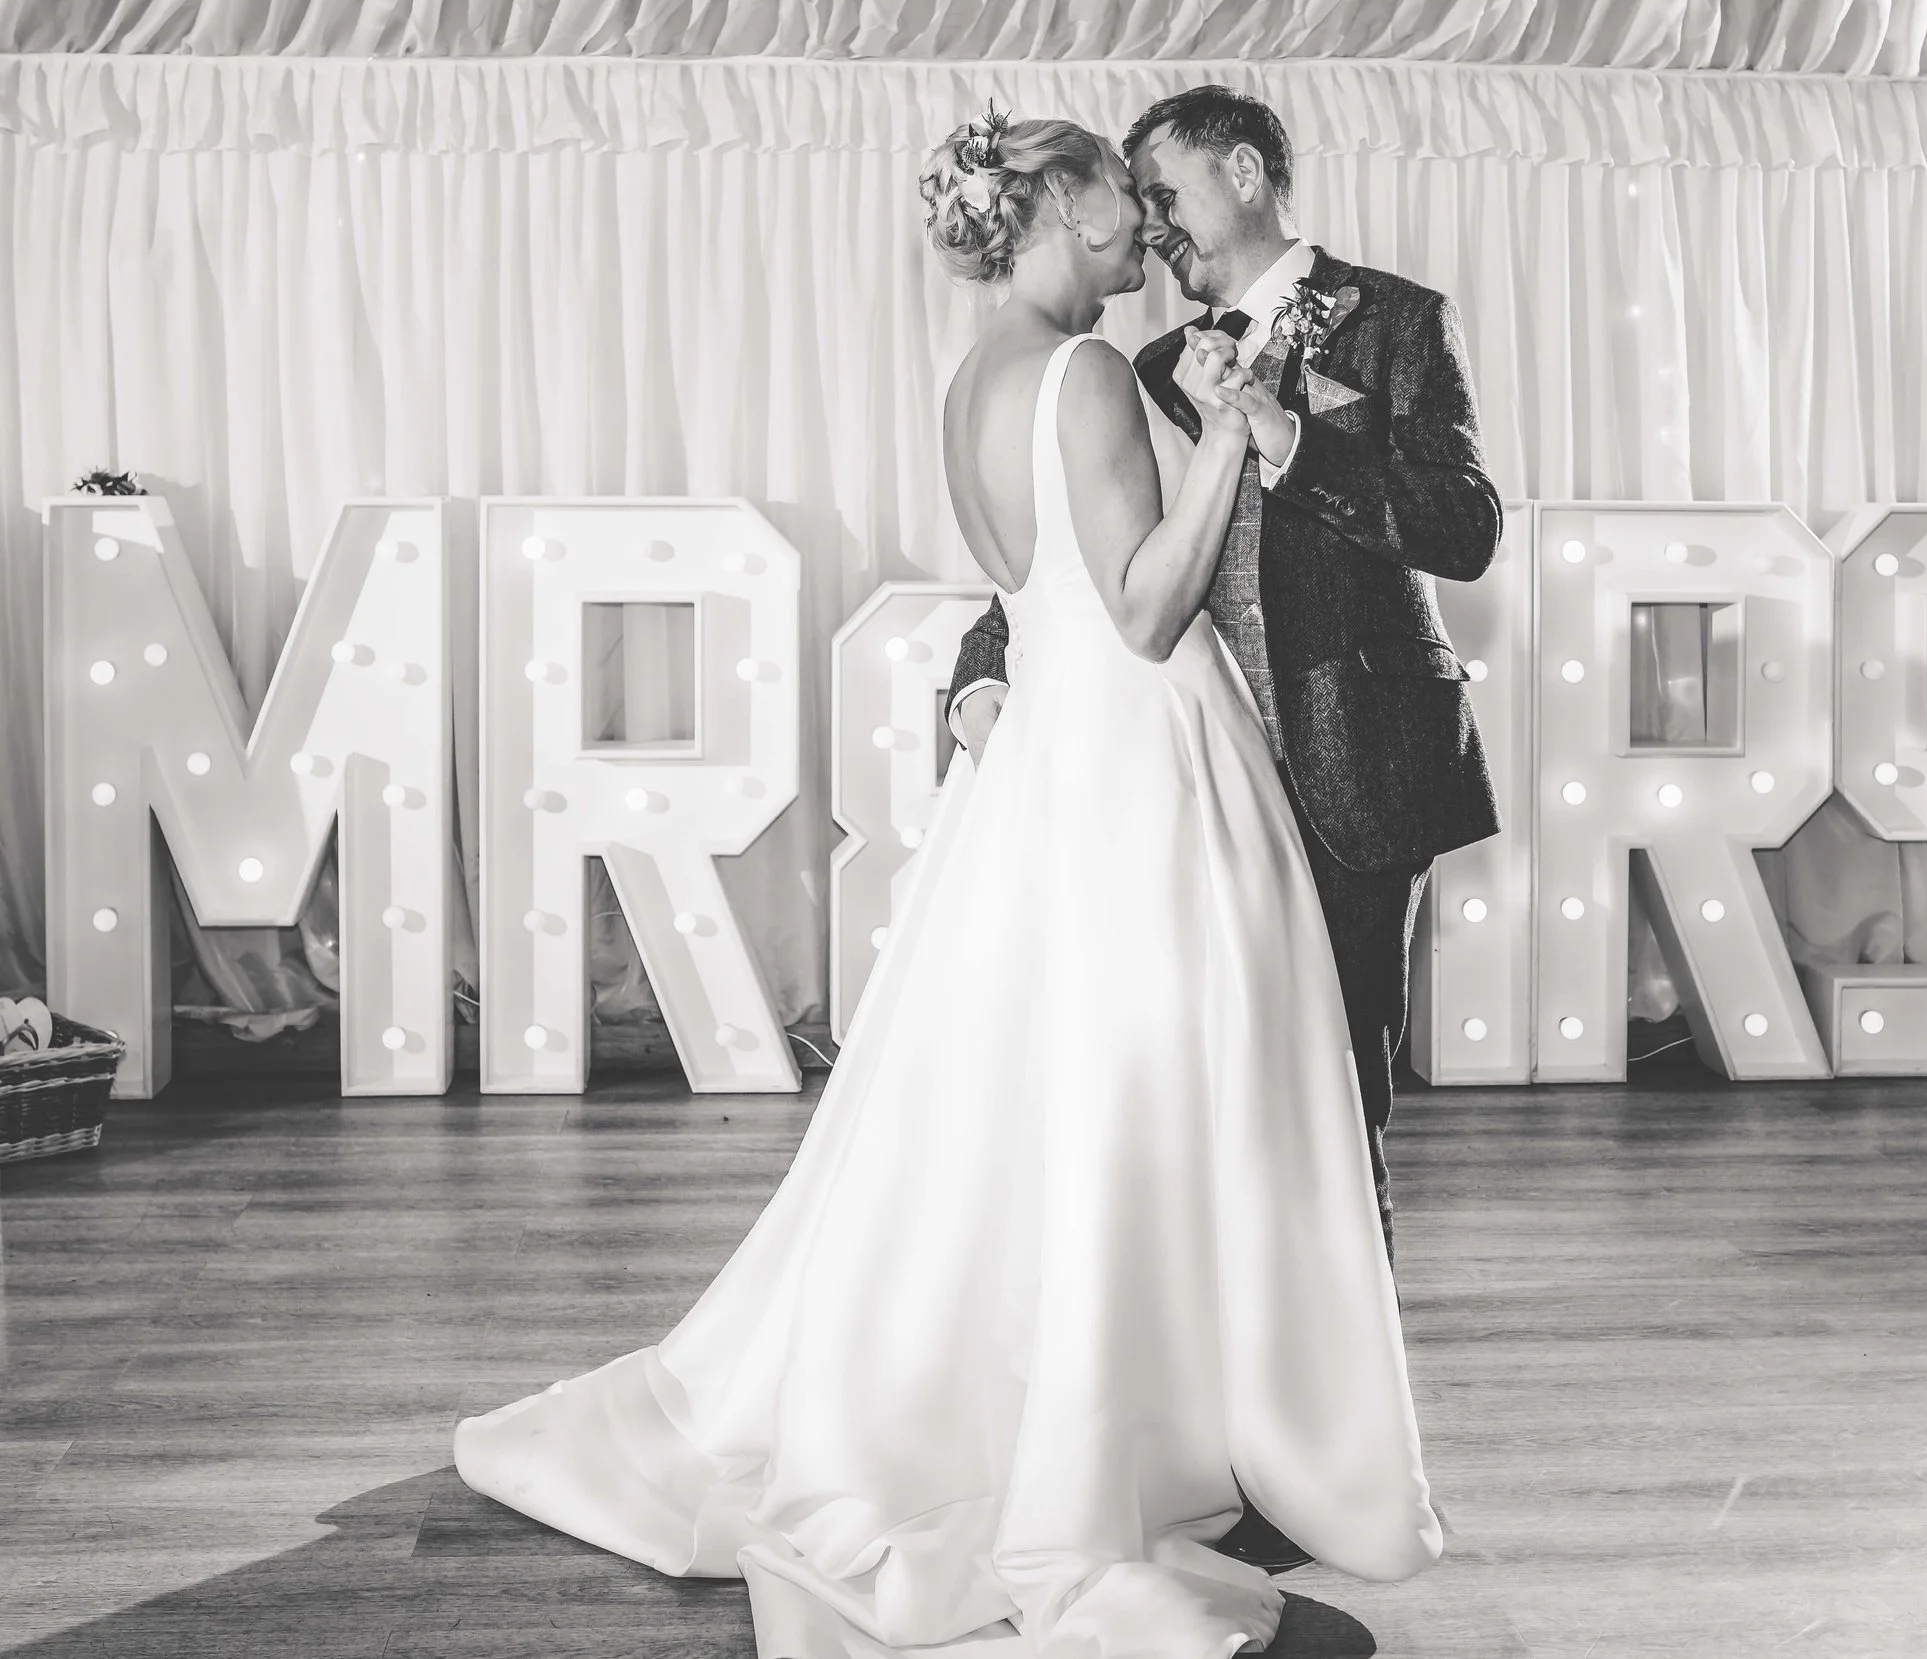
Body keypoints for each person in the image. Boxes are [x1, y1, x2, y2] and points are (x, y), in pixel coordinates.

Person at [451, 108, 1441, 1659]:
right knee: (1154, 1096)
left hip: (1061, 763)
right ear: (1050, 208)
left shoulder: (975, 376)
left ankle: (1148, 1400)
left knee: (1045, 1101)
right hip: (1138, 758)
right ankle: (1150, 1435)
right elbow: (1138, 608)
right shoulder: (1094, 371)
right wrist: (1235, 453)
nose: (1143, 237)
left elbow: (1033, 586)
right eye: (1119, 205)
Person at [948, 83, 1505, 1278]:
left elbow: (1465, 528)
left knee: (1337, 1088)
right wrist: (980, 679)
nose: (1151, 227)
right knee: (1195, 1092)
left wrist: (1290, 438)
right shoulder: (1132, 366)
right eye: (1134, 202)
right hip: (1181, 780)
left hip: (1344, 753)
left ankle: (1340, 1367)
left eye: (1167, 194)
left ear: (1244, 173)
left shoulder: (1397, 320)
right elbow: (1070, 554)